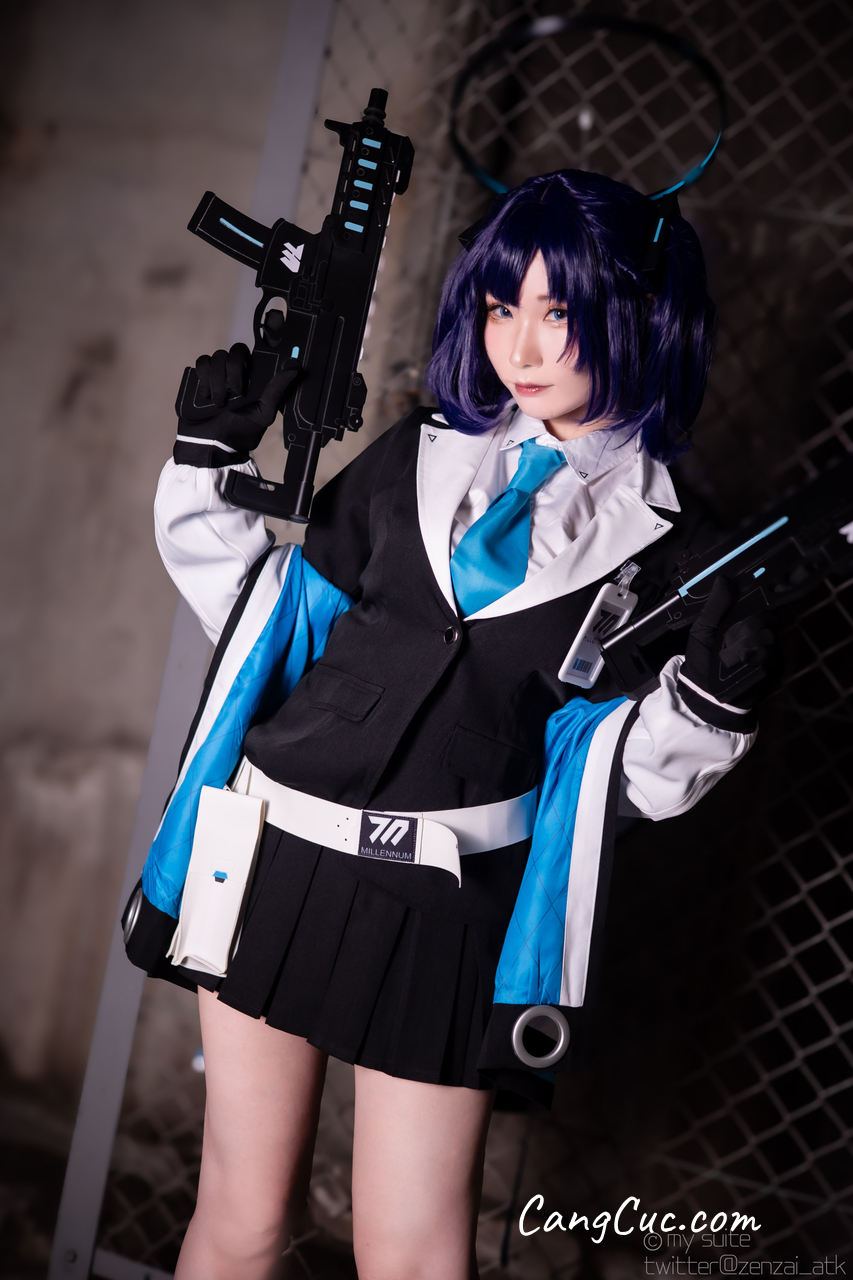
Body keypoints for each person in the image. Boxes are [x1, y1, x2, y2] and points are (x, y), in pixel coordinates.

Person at [125, 170, 772, 1280]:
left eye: (559, 311)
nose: (521, 343)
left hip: (450, 906)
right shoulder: (415, 455)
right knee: (240, 1216)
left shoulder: (672, 543)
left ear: (640, 311)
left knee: (412, 1255)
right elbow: (271, 620)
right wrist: (206, 467)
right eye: (501, 305)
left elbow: (621, 778)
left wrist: (712, 705)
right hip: (274, 854)